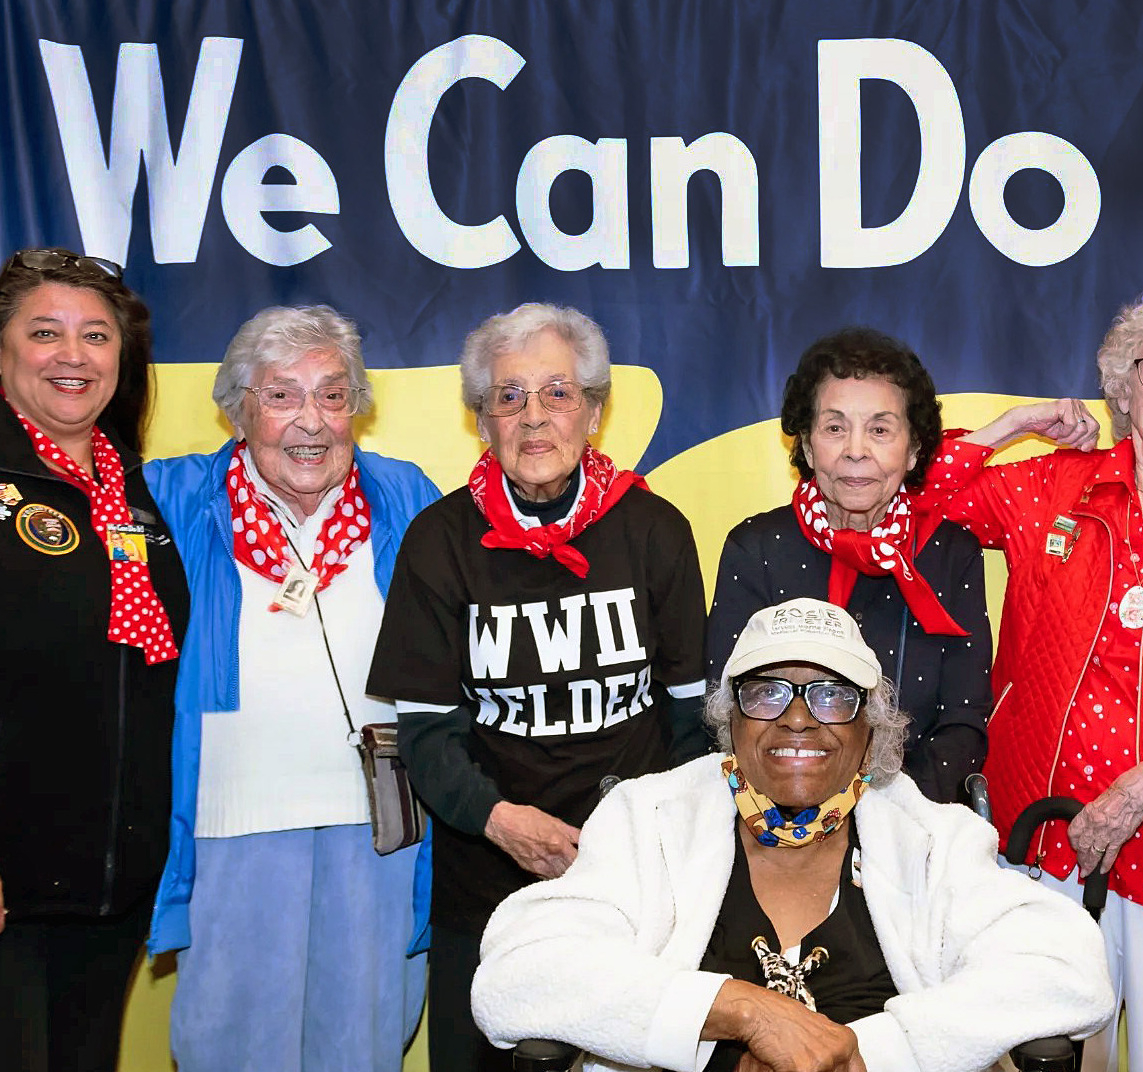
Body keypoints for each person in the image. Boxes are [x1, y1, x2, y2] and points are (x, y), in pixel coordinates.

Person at [472, 597, 1115, 1072]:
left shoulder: (929, 836)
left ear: (871, 728)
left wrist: (864, 1052)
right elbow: (517, 974)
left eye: (833, 696)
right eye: (767, 693)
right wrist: (743, 1012)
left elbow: (1067, 969)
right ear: (731, 719)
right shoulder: (649, 818)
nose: (799, 719)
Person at [924, 284, 1143, 1072]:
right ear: (1122, 385)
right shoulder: (1051, 485)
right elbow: (916, 498)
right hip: (1042, 840)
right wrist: (1014, 426)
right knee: (1041, 1059)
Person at [366, 302, 708, 1070]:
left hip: (634, 880)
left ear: (594, 412)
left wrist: (659, 845)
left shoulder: (655, 531)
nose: (533, 416)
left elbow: (692, 721)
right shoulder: (437, 541)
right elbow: (426, 734)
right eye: (509, 396)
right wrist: (499, 821)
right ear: (481, 420)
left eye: (558, 392)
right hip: (487, 878)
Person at [144, 305, 439, 1071]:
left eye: (333, 395)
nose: (310, 420)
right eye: (281, 395)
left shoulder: (405, 496)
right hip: (231, 829)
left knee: (364, 1045)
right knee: (231, 1048)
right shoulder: (172, 497)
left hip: (379, 830)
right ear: (238, 408)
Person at [0, 247, 188, 1071]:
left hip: (115, 879)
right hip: (14, 883)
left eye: (96, 335)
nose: (72, 355)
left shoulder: (140, 493)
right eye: (44, 332)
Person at [708, 326, 993, 804]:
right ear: (806, 445)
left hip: (914, 813)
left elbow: (963, 723)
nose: (856, 450)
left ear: (914, 450)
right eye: (835, 428)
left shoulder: (951, 554)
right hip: (774, 816)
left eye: (880, 430)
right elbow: (727, 714)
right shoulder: (755, 548)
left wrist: (884, 817)